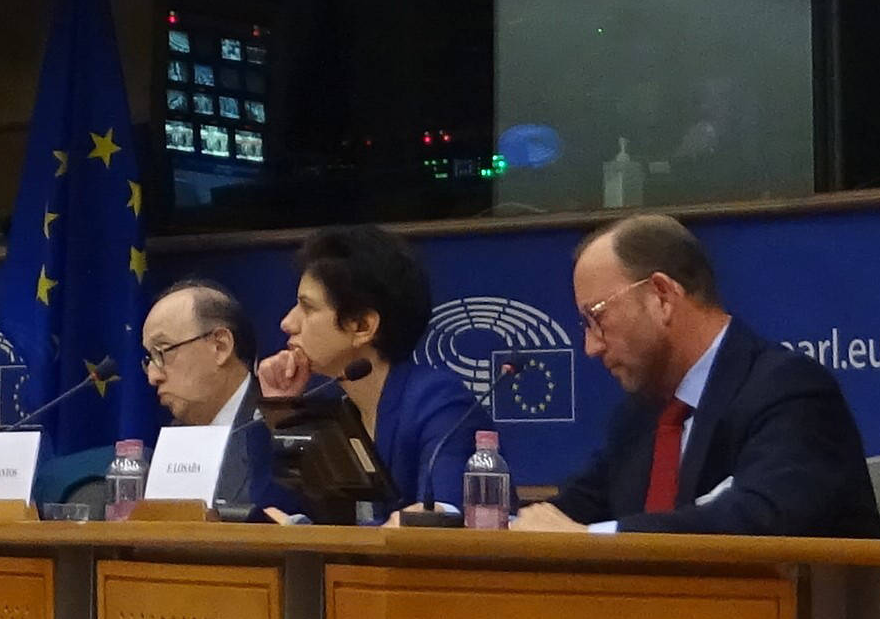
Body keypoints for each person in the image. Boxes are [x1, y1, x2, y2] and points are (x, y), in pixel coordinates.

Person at [517, 215, 880, 536]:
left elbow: (758, 519)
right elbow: (569, 511)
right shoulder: (638, 418)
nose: (591, 347)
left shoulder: (790, 392)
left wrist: (590, 538)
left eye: (596, 317)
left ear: (661, 296)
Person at [256, 225, 488, 519]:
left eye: (308, 308)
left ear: (363, 327)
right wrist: (282, 415)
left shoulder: (441, 406)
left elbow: (443, 523)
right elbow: (270, 516)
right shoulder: (328, 407)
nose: (287, 323)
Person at [142, 279, 268, 508]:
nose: (153, 376)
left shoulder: (274, 431)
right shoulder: (174, 441)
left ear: (220, 346)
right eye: (150, 358)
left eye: (162, 351)